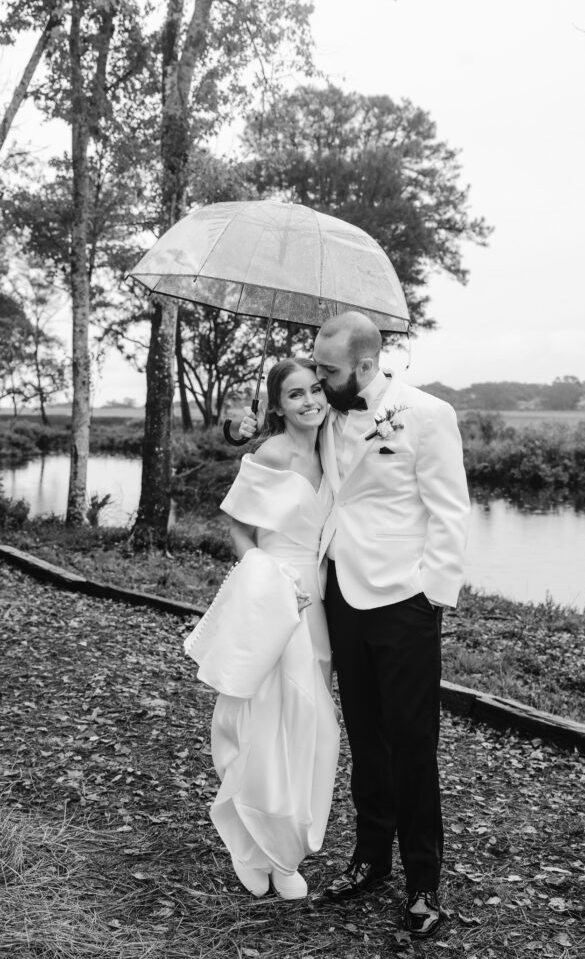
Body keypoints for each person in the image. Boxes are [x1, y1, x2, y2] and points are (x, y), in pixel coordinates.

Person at [239, 311, 470, 937]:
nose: (318, 375)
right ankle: (370, 858)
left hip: (404, 603)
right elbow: (279, 448)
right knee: (365, 738)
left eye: (329, 369)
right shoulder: (330, 412)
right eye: (315, 366)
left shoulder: (426, 415)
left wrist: (432, 599)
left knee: (412, 743)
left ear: (365, 365)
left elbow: (451, 514)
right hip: (338, 594)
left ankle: (423, 885)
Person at [187, 358, 339, 901]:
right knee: (270, 717)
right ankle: (253, 849)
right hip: (275, 596)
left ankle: (287, 849)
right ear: (276, 405)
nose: (310, 401)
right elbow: (236, 524)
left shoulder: (333, 448)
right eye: (295, 395)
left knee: (313, 724)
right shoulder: (270, 453)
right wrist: (268, 574)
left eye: (316, 390)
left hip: (317, 602)